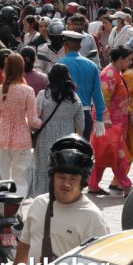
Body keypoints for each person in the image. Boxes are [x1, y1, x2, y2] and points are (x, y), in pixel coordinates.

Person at [7, 135, 109, 265]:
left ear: (82, 182)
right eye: (61, 177)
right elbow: (25, 244)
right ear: (52, 177)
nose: (66, 184)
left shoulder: (93, 217)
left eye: (73, 178)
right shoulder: (39, 203)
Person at [0, 54, 41, 196]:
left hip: (1, 140)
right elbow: (33, 121)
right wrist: (42, 122)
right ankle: (17, 207)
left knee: (3, 181)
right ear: (21, 69)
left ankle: (3, 207)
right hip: (22, 140)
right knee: (20, 180)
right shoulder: (28, 91)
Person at [30, 64, 85, 197]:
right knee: (62, 171)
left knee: (43, 170)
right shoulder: (74, 97)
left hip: (45, 140)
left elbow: (34, 118)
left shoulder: (43, 95)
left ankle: (42, 198)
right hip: (67, 142)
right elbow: (81, 124)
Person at [89, 45, 133, 195]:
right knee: (117, 155)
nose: (130, 63)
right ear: (120, 59)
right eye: (129, 60)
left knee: (105, 153)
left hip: (115, 122)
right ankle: (126, 186)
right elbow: (103, 99)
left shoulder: (115, 72)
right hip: (109, 123)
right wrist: (106, 118)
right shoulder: (109, 74)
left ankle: (93, 184)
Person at [59, 30, 105, 140]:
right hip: (85, 115)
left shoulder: (60, 65)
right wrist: (100, 118)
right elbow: (98, 94)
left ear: (65, 45)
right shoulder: (92, 65)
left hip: (65, 115)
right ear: (80, 47)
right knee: (83, 148)